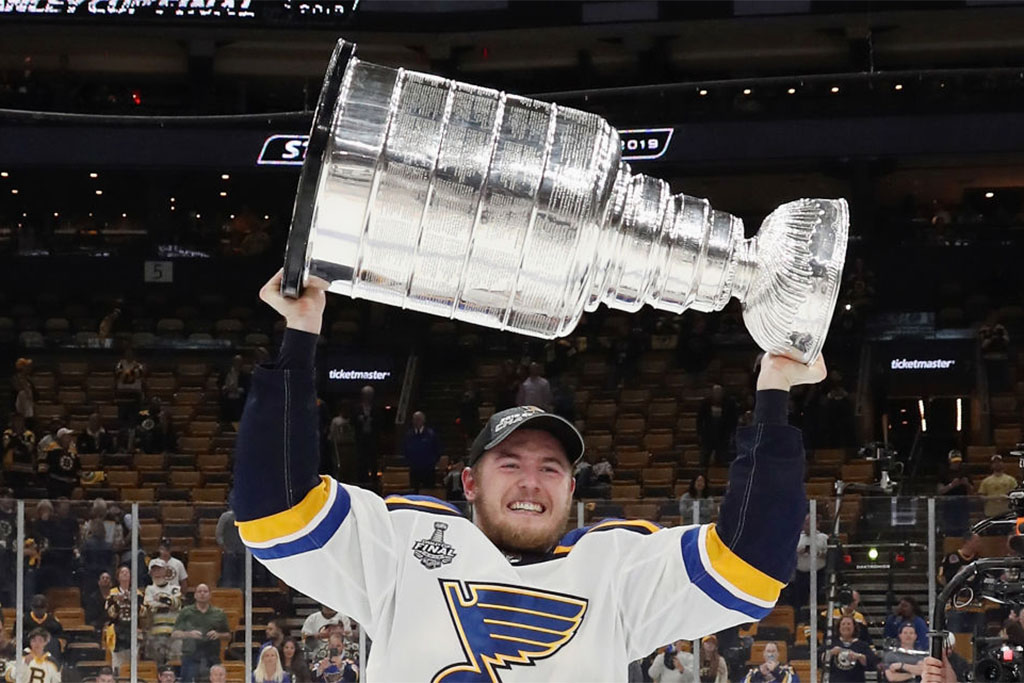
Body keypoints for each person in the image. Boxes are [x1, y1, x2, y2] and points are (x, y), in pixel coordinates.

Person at [230, 270, 824, 681]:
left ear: (572, 488)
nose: (530, 482)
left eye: (550, 468)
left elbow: (753, 562)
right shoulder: (404, 544)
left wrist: (773, 389)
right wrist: (300, 333)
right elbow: (273, 510)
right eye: (509, 464)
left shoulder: (616, 568)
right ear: (468, 482)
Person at [172, 583, 231, 683]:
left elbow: (228, 635)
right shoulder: (186, 612)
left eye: (205, 591)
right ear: (195, 595)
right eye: (199, 591)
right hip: (190, 656)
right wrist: (189, 634)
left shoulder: (219, 613)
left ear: (210, 595)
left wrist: (218, 635)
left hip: (212, 656)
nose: (202, 594)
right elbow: (174, 634)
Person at [144, 559, 183, 666]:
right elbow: (149, 606)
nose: (157, 573)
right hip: (155, 634)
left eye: (160, 569)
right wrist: (167, 602)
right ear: (150, 573)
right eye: (154, 570)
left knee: (175, 664)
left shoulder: (175, 589)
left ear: (165, 571)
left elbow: (177, 604)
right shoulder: (149, 589)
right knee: (156, 666)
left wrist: (160, 599)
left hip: (174, 633)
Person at [823, 615, 876, 683]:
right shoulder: (831, 644)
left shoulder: (862, 645)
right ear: (839, 627)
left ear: (854, 627)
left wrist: (859, 656)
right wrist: (831, 653)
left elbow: (872, 663)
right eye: (843, 624)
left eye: (849, 624)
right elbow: (820, 660)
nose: (846, 626)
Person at [697, 384, 738, 467]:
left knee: (721, 461)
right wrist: (700, 434)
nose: (717, 394)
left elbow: (733, 419)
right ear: (712, 393)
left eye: (719, 392)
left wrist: (730, 433)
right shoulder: (705, 403)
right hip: (708, 436)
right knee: (703, 461)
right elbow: (699, 420)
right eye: (715, 392)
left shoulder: (729, 403)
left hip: (723, 436)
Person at [936, 450, 973, 536]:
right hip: (949, 505)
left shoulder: (965, 471)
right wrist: (951, 485)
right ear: (949, 461)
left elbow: (972, 491)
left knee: (964, 529)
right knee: (950, 530)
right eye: (954, 462)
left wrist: (966, 484)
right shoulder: (944, 472)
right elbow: (940, 491)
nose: (956, 464)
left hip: (963, 505)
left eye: (958, 461)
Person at [402, 411, 441, 490]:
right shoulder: (409, 435)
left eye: (419, 419)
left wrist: (432, 462)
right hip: (414, 469)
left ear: (423, 420)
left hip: (428, 470)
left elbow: (437, 450)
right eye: (415, 419)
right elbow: (405, 450)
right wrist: (410, 462)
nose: (417, 421)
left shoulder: (431, 434)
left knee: (428, 491)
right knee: (414, 491)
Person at [351, 385, 381, 485]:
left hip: (372, 438)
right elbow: (352, 421)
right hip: (360, 438)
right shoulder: (357, 408)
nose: (368, 397)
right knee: (361, 459)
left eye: (370, 395)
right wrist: (359, 419)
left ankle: (374, 481)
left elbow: (381, 422)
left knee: (373, 460)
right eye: (366, 395)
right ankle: (361, 480)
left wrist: (372, 420)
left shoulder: (376, 407)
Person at [22, 595, 62, 665]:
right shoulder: (24, 620)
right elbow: (16, 635)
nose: (39, 611)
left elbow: (60, 636)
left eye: (41, 608)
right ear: (32, 607)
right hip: (27, 649)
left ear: (46, 608)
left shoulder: (52, 621)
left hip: (49, 651)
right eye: (36, 608)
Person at [2, 413, 37, 492]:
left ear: (23, 422)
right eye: (15, 420)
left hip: (25, 467)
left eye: (20, 420)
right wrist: (20, 443)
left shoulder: (29, 434)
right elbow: (6, 445)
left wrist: (16, 440)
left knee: (24, 491)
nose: (18, 423)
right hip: (11, 467)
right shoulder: (7, 433)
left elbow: (29, 448)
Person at [978, 454, 1018, 519]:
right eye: (995, 462)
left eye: (999, 462)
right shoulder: (986, 481)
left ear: (1003, 464)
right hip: (991, 513)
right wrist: (995, 497)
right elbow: (981, 497)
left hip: (1007, 513)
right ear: (991, 465)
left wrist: (1007, 497)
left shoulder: (1011, 480)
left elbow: (1015, 495)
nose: (997, 464)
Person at [44, 428, 80, 500]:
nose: (69, 438)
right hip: (56, 484)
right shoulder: (52, 450)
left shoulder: (73, 451)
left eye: (69, 436)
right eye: (66, 436)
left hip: (70, 484)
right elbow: (46, 467)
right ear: (60, 438)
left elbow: (78, 467)